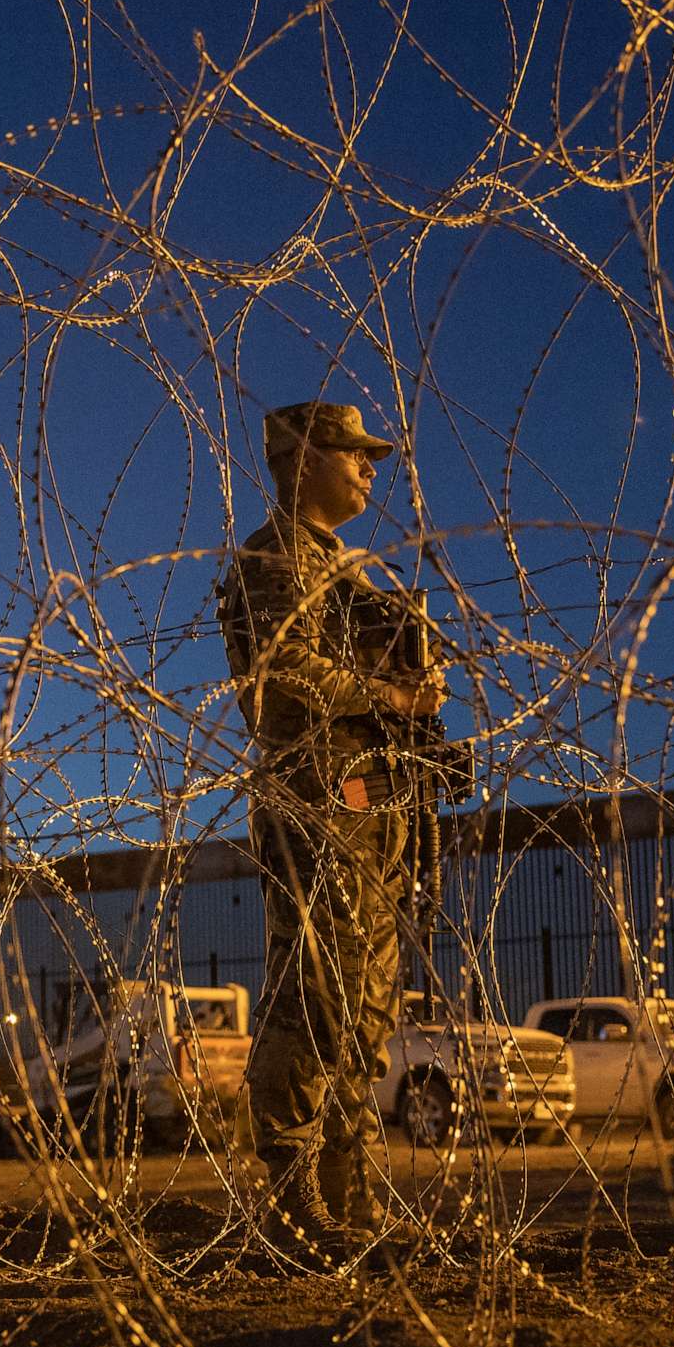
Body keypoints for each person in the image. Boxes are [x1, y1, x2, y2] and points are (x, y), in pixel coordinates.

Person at [218, 401, 448, 1267]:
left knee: (365, 1009)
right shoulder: (273, 559)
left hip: (372, 800)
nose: (370, 467)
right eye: (353, 452)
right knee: (312, 997)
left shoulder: (347, 574)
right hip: (315, 798)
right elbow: (287, 672)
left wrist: (415, 683)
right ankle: (290, 1199)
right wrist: (388, 694)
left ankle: (350, 1201)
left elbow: (366, 671)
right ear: (302, 455)